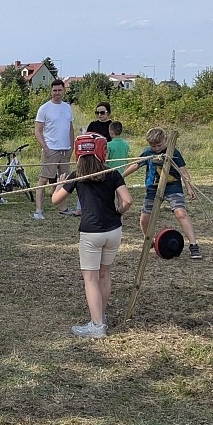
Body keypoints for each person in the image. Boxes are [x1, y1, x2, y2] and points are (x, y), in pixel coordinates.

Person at [52, 133, 132, 338]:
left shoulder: (76, 176)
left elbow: (55, 200)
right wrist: (118, 213)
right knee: (104, 275)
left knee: (90, 279)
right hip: (113, 231)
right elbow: (128, 201)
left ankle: (97, 326)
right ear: (102, 152)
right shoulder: (112, 173)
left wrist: (60, 184)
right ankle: (100, 317)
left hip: (91, 233)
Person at [121, 128, 202, 260]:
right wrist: (121, 176)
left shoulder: (173, 152)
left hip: (172, 187)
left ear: (165, 140)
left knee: (181, 213)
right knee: (144, 219)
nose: (157, 148)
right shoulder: (148, 152)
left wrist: (189, 188)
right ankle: (149, 240)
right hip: (153, 189)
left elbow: (183, 172)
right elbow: (136, 165)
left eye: (159, 145)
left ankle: (194, 245)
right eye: (153, 146)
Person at [32, 79, 75, 220]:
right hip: (51, 150)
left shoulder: (67, 107)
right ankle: (38, 210)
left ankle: (63, 208)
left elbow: (70, 129)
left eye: (59, 90)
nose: (57, 93)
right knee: (43, 179)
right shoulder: (44, 108)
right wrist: (45, 148)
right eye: (54, 90)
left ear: (64, 91)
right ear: (51, 91)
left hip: (65, 150)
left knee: (64, 180)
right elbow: (38, 131)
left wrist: (71, 146)